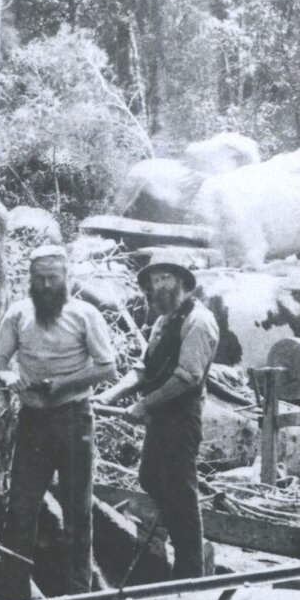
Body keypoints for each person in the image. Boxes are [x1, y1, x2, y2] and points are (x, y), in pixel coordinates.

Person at [0, 244, 121, 597]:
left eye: (53, 278)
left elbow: (107, 367)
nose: (46, 285)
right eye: (39, 279)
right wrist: (7, 377)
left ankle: (78, 594)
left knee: (78, 512)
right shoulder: (17, 315)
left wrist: (63, 384)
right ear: (30, 281)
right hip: (33, 422)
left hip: (75, 421)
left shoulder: (85, 315)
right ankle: (14, 593)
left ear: (67, 278)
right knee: (21, 509)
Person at [99, 248, 222, 579]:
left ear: (182, 281)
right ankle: (163, 546)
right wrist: (112, 394)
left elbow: (188, 377)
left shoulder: (199, 321)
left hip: (182, 417)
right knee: (151, 477)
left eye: (165, 277)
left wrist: (144, 404)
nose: (158, 286)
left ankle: (190, 569)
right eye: (153, 280)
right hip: (161, 418)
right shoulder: (164, 322)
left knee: (181, 490)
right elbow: (142, 368)